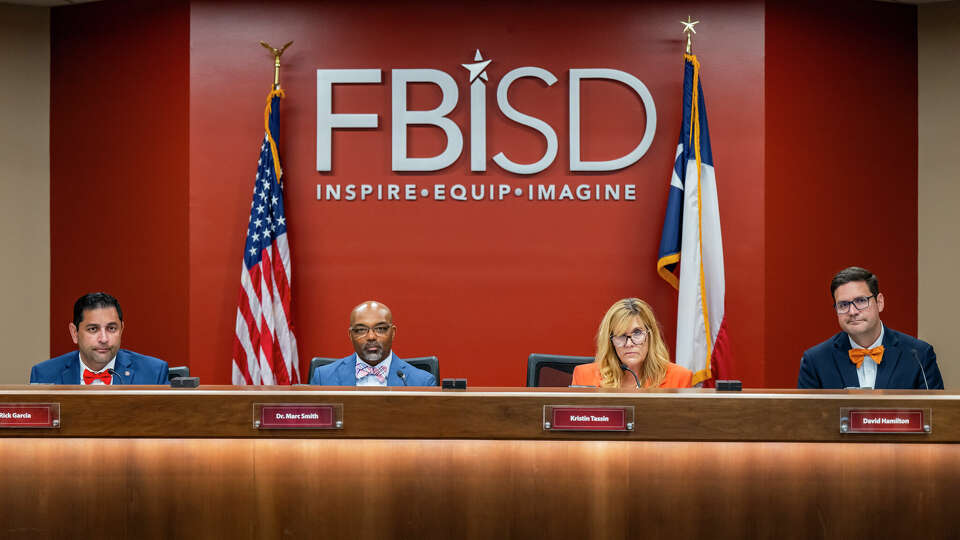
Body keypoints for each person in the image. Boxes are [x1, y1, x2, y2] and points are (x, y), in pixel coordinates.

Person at [797, 266, 943, 389]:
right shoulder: (815, 361)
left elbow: (936, 416)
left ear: (879, 302)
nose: (852, 312)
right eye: (843, 305)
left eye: (860, 301)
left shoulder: (919, 355)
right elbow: (806, 420)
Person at [30, 292, 169, 385]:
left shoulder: (154, 372)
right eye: (93, 329)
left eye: (111, 328)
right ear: (74, 333)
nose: (103, 339)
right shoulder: (44, 374)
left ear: (121, 330)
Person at [571, 298, 692, 388]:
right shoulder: (584, 376)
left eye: (637, 333)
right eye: (620, 335)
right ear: (610, 342)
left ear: (651, 336)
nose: (629, 344)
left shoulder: (679, 378)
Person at [309, 300, 436, 386]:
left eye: (380, 329)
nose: (371, 337)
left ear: (393, 333)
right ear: (350, 335)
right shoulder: (323, 378)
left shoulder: (422, 381)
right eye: (361, 330)